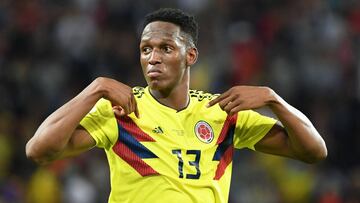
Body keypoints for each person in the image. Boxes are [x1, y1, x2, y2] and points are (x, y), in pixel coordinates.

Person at [26, 8, 327, 203]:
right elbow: (38, 150)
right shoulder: (122, 111)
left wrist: (273, 99)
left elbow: (314, 151)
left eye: (165, 48)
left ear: (190, 56)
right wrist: (95, 89)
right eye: (146, 49)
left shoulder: (222, 112)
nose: (153, 58)